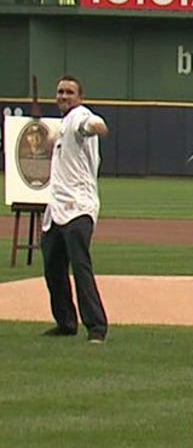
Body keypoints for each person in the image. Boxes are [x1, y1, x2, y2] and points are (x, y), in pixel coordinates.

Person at [40, 75, 110, 343]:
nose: (63, 96)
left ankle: (97, 326)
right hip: (56, 209)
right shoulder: (62, 125)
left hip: (78, 208)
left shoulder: (80, 116)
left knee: (80, 266)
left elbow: (91, 125)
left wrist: (98, 126)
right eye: (60, 92)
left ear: (79, 97)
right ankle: (66, 322)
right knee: (53, 267)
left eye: (69, 92)